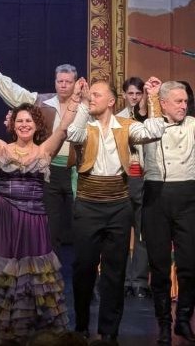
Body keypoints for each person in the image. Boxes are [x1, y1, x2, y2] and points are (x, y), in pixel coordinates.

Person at [0, 84, 74, 340]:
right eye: (19, 121)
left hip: (34, 217)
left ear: (36, 125)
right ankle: (4, 329)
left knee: (35, 270)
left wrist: (74, 100)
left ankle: (38, 330)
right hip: (6, 215)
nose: (24, 124)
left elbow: (63, 129)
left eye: (28, 120)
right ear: (12, 125)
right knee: (6, 270)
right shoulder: (1, 148)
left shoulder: (45, 150)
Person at [66, 78, 166, 342]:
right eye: (91, 94)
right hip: (88, 204)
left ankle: (109, 331)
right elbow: (73, 135)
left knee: (115, 271)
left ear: (111, 101)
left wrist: (153, 97)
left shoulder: (126, 126)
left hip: (118, 205)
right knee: (84, 267)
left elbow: (155, 130)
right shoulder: (85, 126)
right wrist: (82, 102)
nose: (92, 97)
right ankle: (81, 325)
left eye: (97, 95)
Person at [0, 58, 78, 249]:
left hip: (77, 170)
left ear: (75, 83)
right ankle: (47, 262)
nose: (63, 85)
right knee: (50, 225)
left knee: (80, 222)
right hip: (49, 169)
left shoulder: (84, 106)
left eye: (68, 81)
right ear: (55, 82)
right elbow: (14, 92)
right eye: (60, 81)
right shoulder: (42, 101)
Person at [141, 81, 195, 346]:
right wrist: (149, 96)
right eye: (178, 101)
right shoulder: (149, 125)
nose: (184, 106)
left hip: (188, 197)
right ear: (163, 103)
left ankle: (184, 317)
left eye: (185, 101)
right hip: (156, 197)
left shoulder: (193, 125)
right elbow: (138, 116)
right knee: (159, 266)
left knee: (190, 264)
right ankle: (164, 323)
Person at [117, 76, 150, 299]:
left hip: (145, 179)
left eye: (138, 93)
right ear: (124, 95)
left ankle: (139, 281)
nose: (134, 97)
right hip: (124, 179)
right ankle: (122, 280)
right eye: (131, 93)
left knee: (142, 233)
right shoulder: (118, 119)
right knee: (120, 232)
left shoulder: (150, 118)